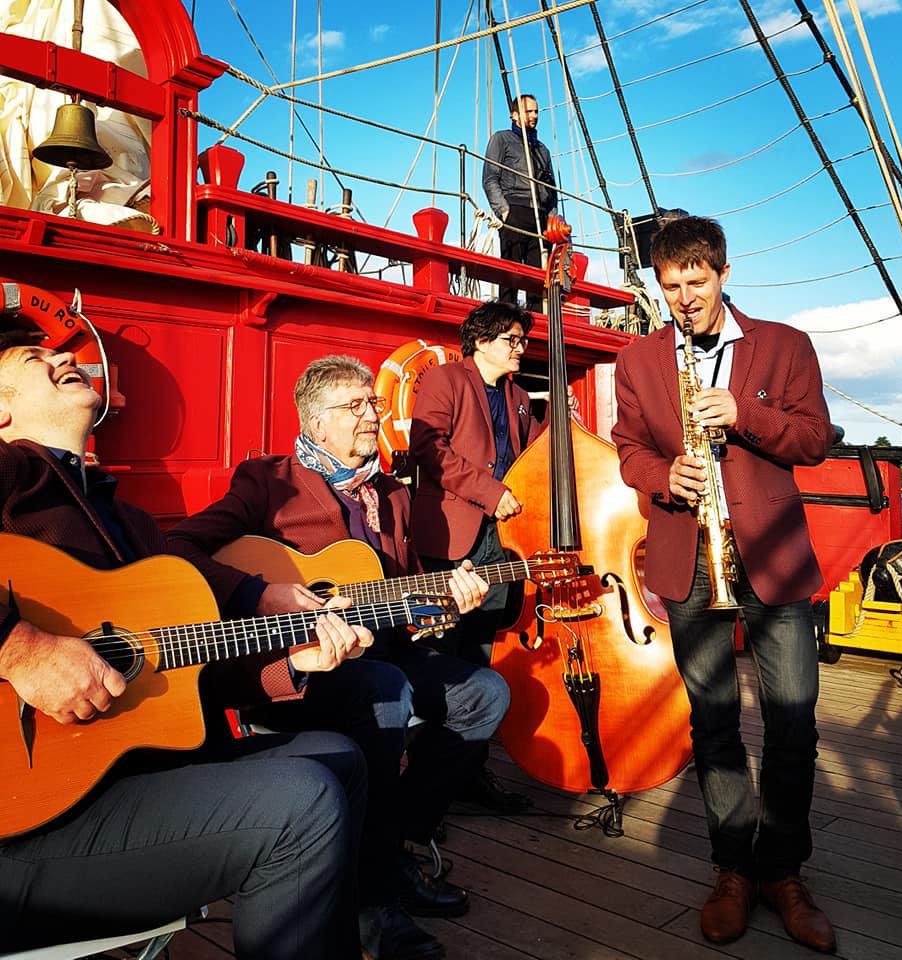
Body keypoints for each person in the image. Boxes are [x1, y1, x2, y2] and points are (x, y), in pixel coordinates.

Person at [0, 329, 368, 959]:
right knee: (301, 805)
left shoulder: (130, 521)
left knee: (341, 756)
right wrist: (19, 648)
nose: (64, 355)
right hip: (24, 828)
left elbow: (184, 671)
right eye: (36, 360)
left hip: (116, 783)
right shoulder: (11, 474)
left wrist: (292, 665)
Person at [166, 354, 510, 960]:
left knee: (486, 693)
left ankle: (393, 842)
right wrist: (261, 593)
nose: (370, 417)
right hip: (293, 668)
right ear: (315, 423)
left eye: (372, 405)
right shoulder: (268, 481)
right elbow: (177, 549)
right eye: (354, 407)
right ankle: (371, 903)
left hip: (382, 653)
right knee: (383, 688)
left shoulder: (392, 495)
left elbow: (404, 601)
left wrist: (447, 599)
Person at [611, 216, 837, 953]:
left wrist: (747, 414)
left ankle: (784, 872)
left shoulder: (786, 345)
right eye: (670, 285)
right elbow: (629, 451)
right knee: (712, 727)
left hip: (771, 558)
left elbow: (812, 438)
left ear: (723, 274)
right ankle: (732, 869)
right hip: (689, 559)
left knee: (794, 724)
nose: (683, 297)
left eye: (696, 281)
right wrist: (662, 476)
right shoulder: (638, 359)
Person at [409, 300, 547, 813]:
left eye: (523, 340)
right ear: (483, 340)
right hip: (452, 533)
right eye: (513, 340)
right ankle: (425, 782)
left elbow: (537, 457)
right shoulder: (445, 379)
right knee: (444, 652)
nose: (520, 349)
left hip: (503, 534)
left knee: (480, 650)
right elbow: (429, 448)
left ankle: (468, 772)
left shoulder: (519, 396)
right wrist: (491, 493)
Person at [482, 94, 557, 312]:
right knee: (510, 273)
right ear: (514, 115)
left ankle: (536, 322)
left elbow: (551, 188)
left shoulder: (543, 150)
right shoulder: (501, 139)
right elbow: (489, 177)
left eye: (536, 111)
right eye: (528, 111)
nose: (534, 115)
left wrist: (552, 220)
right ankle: (506, 319)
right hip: (514, 209)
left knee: (537, 277)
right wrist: (504, 211)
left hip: (541, 217)